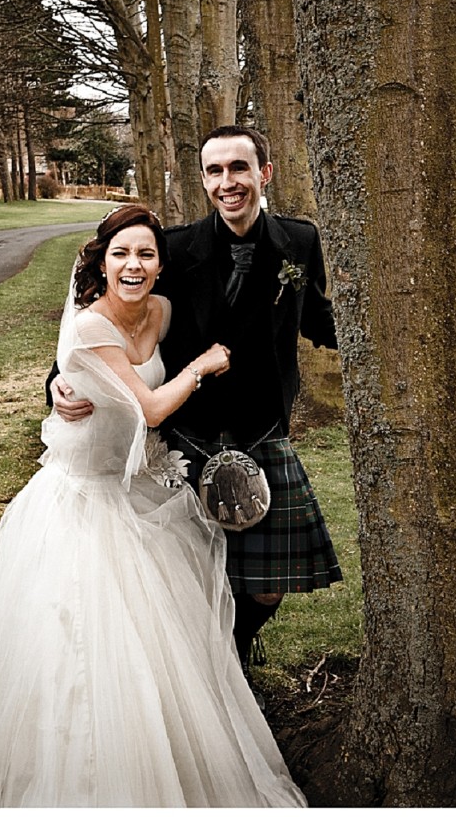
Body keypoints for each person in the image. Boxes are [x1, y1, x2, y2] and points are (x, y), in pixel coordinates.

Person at [0, 204, 306, 808]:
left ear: (159, 266)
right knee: (81, 638)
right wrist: (181, 368)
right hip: (83, 496)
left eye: (146, 254)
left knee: (163, 632)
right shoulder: (91, 324)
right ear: (100, 260)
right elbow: (147, 405)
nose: (134, 264)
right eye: (120, 252)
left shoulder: (165, 310)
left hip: (140, 488)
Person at [51, 126, 342, 707]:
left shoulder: (299, 243)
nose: (226, 182)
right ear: (205, 178)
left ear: (265, 172)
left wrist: (378, 335)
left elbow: (316, 320)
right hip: (187, 432)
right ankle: (201, 689)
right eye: (214, 171)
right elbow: (108, 321)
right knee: (186, 574)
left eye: (239, 168)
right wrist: (56, 383)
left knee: (266, 589)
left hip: (263, 431)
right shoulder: (176, 251)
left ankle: (224, 664)